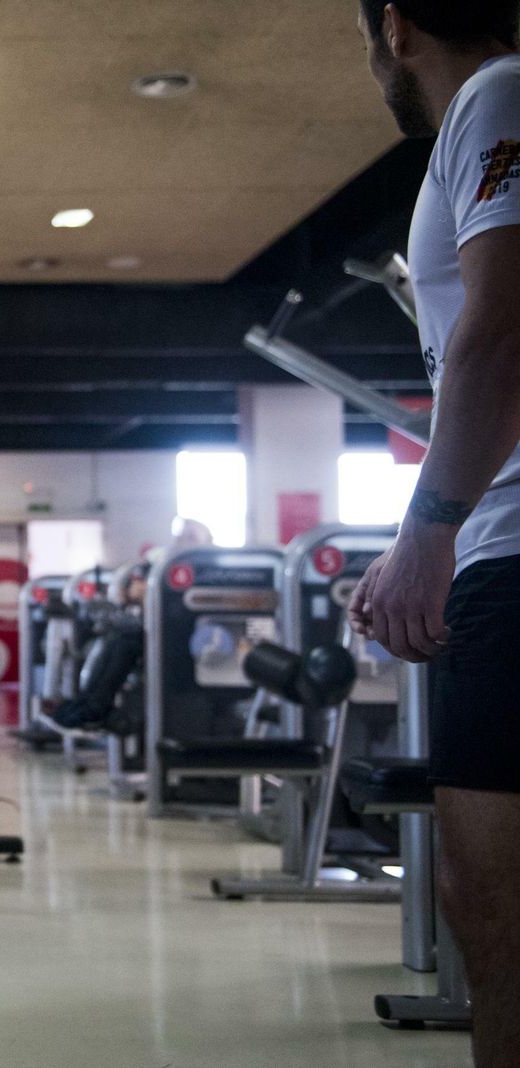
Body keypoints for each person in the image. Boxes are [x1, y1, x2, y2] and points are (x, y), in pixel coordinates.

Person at [347, 5, 520, 1065]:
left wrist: (429, 530)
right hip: (496, 539)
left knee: (493, 905)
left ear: (396, 26)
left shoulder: (494, 94)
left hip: (510, 550)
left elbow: (498, 332)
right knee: (486, 906)